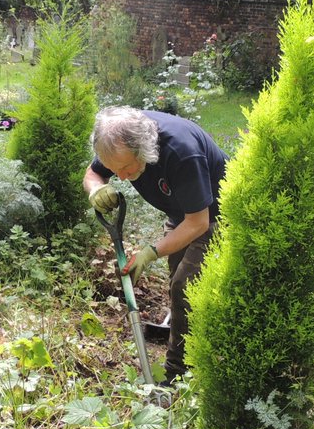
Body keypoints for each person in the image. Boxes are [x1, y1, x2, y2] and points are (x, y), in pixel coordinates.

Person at [84, 106, 226, 382]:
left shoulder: (181, 152)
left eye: (125, 168)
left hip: (215, 215)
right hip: (182, 212)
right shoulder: (116, 142)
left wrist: (150, 252)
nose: (121, 177)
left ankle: (178, 373)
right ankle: (186, 334)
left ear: (144, 150)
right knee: (179, 283)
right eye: (115, 170)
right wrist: (97, 189)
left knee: (187, 286)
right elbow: (92, 174)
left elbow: (198, 223)